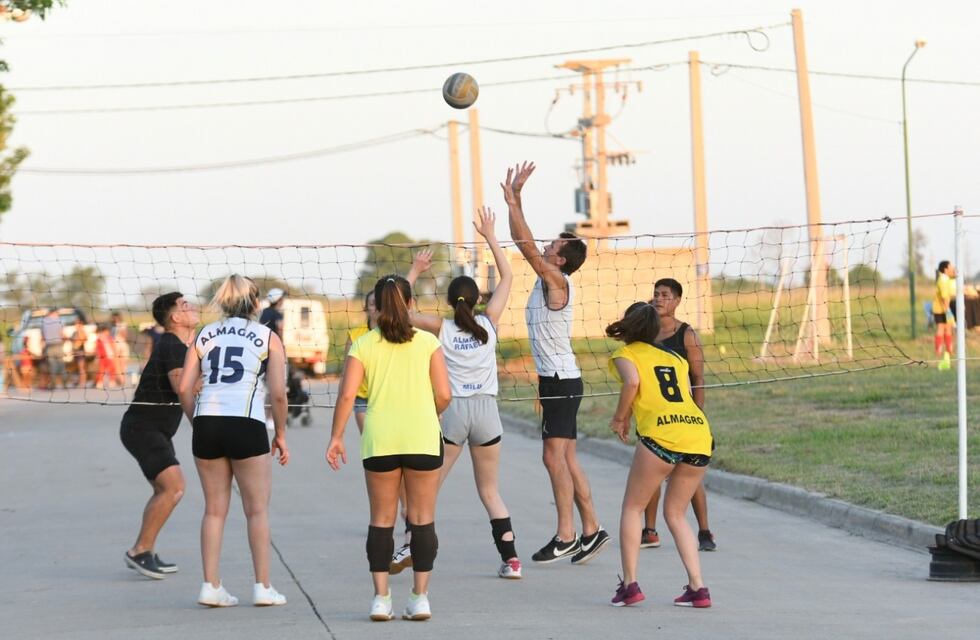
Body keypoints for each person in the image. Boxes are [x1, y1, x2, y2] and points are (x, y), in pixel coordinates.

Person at [502, 161, 610, 565]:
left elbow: (525, 244)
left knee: (553, 457)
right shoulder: (548, 277)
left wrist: (517, 201)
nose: (546, 247)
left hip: (561, 381)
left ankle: (566, 535)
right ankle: (592, 529)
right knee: (566, 458)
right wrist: (513, 203)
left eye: (553, 247)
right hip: (558, 379)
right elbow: (524, 242)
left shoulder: (557, 281)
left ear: (561, 260)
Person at [326, 275, 451, 622]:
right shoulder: (428, 342)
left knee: (381, 521)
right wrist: (427, 414)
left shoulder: (363, 344)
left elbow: (347, 395)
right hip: (422, 437)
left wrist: (336, 436)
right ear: (411, 304)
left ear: (376, 307)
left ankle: (381, 599)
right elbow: (444, 394)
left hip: (380, 439)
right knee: (422, 519)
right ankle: (419, 598)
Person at [408, 207, 521, 578]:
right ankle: (512, 561)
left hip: (454, 413)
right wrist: (490, 237)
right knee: (490, 492)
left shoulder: (441, 327)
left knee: (429, 488)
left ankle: (414, 546)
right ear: (477, 300)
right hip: (487, 414)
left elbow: (402, 311)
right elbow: (508, 276)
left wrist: (414, 271)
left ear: (449, 302)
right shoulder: (489, 322)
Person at [178, 275, 289, 608]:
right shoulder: (267, 336)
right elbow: (279, 393)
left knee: (214, 510)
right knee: (257, 510)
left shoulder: (204, 334)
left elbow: (184, 388)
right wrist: (281, 434)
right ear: (255, 303)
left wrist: (197, 422)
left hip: (207, 421)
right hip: (246, 421)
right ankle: (263, 587)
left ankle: (210, 585)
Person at [606, 302, 713, 609]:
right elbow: (683, 392)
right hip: (697, 434)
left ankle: (630, 586)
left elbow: (633, 382)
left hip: (661, 435)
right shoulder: (675, 357)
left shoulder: (625, 354)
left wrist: (620, 418)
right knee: (676, 514)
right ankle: (698, 588)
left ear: (629, 326)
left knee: (632, 508)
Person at [120, 293, 199, 580]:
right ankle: (139, 551)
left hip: (153, 430)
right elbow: (183, 386)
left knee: (164, 490)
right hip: (143, 429)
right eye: (185, 305)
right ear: (175, 317)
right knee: (173, 487)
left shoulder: (181, 345)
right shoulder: (172, 344)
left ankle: (145, 550)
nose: (192, 307)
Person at [640, 278, 716, 552]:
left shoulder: (686, 334)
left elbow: (698, 378)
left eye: (665, 295)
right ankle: (649, 531)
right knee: (652, 472)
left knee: (687, 473)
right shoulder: (645, 333)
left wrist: (698, 413)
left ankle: (704, 531)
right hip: (656, 415)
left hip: (683, 415)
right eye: (656, 294)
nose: (659, 299)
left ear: (677, 301)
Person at [344, 289, 377, 434]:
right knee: (369, 439)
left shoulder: (395, 333)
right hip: (363, 398)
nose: (377, 307)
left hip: (388, 397)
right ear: (366, 309)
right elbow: (346, 373)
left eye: (380, 304)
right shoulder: (355, 335)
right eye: (373, 304)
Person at [934, 261, 957, 371]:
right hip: (940, 309)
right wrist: (948, 310)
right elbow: (944, 297)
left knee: (948, 328)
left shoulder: (948, 279)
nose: (953, 268)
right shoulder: (943, 279)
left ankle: (949, 349)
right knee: (941, 328)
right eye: (951, 266)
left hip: (947, 308)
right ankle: (938, 350)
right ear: (945, 269)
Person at [40, 309, 66, 390]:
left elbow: (42, 336)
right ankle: (64, 383)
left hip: (49, 346)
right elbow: (62, 334)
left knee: (52, 366)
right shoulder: (60, 320)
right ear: (54, 313)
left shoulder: (44, 321)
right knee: (61, 365)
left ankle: (53, 384)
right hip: (58, 345)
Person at [95, 324, 121, 389]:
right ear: (104, 331)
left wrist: (115, 354)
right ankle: (99, 382)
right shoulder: (99, 338)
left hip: (110, 356)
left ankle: (112, 381)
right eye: (106, 331)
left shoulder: (109, 338)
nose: (108, 332)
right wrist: (98, 356)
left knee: (112, 369)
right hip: (102, 357)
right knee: (101, 370)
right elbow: (97, 348)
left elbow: (113, 346)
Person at [111, 311, 131, 385]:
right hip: (115, 345)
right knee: (116, 364)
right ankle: (119, 380)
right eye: (113, 317)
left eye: (116, 317)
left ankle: (122, 380)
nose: (115, 319)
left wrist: (120, 330)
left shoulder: (123, 325)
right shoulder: (112, 326)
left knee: (123, 363)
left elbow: (125, 335)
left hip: (121, 345)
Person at [71, 317, 89, 388]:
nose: (76, 325)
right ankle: (79, 381)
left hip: (80, 352)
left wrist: (80, 331)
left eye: (77, 323)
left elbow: (83, 340)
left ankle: (82, 382)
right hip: (76, 352)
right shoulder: (74, 332)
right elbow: (73, 342)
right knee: (77, 368)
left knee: (81, 368)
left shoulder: (82, 331)